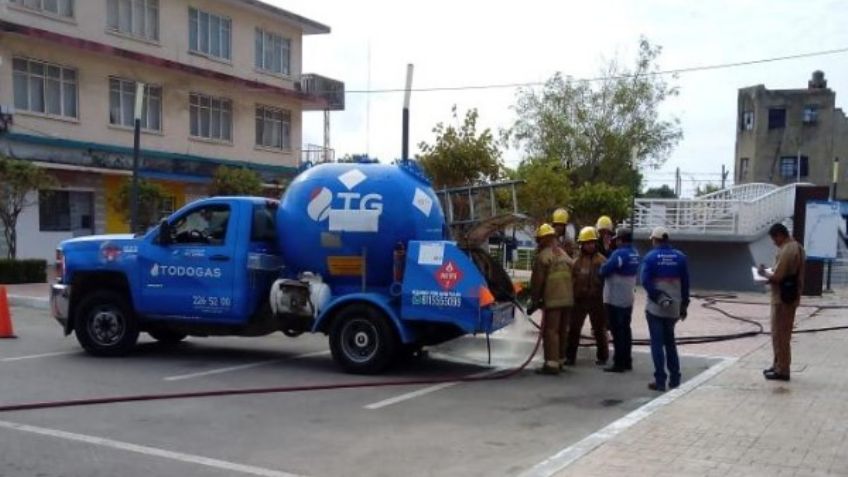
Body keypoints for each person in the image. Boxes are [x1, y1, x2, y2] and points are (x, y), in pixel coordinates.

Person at [641, 226, 690, 392]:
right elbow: (686, 285)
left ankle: (660, 381)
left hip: (656, 308)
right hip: (674, 309)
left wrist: (659, 297)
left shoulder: (650, 257)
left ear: (655, 240)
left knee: (657, 344)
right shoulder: (681, 257)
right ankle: (675, 379)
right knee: (670, 343)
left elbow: (646, 282)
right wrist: (684, 306)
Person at [757, 223, 805, 381]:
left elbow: (778, 276)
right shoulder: (796, 247)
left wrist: (763, 273)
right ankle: (778, 364)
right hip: (787, 297)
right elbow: (784, 272)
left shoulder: (787, 250)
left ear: (780, 235)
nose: (774, 242)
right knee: (780, 334)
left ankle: (782, 369)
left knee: (781, 335)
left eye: (774, 238)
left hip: (783, 300)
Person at [529, 223, 575, 375]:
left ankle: (551, 364)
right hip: (568, 299)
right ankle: (561, 360)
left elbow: (537, 282)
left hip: (553, 300)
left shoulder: (543, 257)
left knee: (551, 331)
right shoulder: (563, 254)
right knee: (563, 330)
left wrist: (534, 301)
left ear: (542, 239)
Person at [564, 226, 609, 366]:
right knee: (574, 329)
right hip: (579, 301)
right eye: (587, 243)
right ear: (582, 244)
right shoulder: (576, 262)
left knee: (599, 329)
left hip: (597, 300)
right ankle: (570, 357)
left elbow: (607, 281)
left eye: (592, 242)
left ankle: (602, 357)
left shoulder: (602, 261)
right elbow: (571, 280)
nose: (591, 245)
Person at [599, 228, 640, 373]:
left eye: (617, 239)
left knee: (617, 331)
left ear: (621, 239)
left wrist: (602, 266)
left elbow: (605, 270)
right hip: (628, 298)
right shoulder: (634, 252)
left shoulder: (619, 253)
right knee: (626, 330)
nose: (615, 241)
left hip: (615, 298)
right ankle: (627, 361)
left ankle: (619, 363)